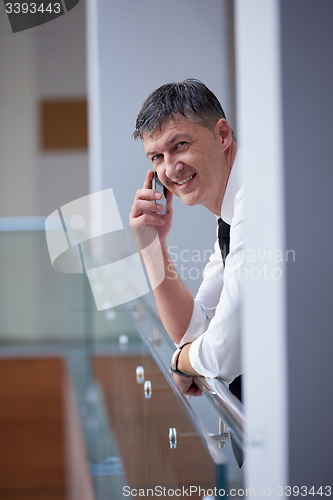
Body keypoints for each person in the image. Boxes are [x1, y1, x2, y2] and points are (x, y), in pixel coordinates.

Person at [130, 79, 244, 397]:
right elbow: (196, 330)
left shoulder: (254, 201)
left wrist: (181, 362)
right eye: (156, 157)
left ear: (222, 135)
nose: (171, 168)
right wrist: (151, 244)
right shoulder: (230, 215)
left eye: (180, 145)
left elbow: (223, 354)